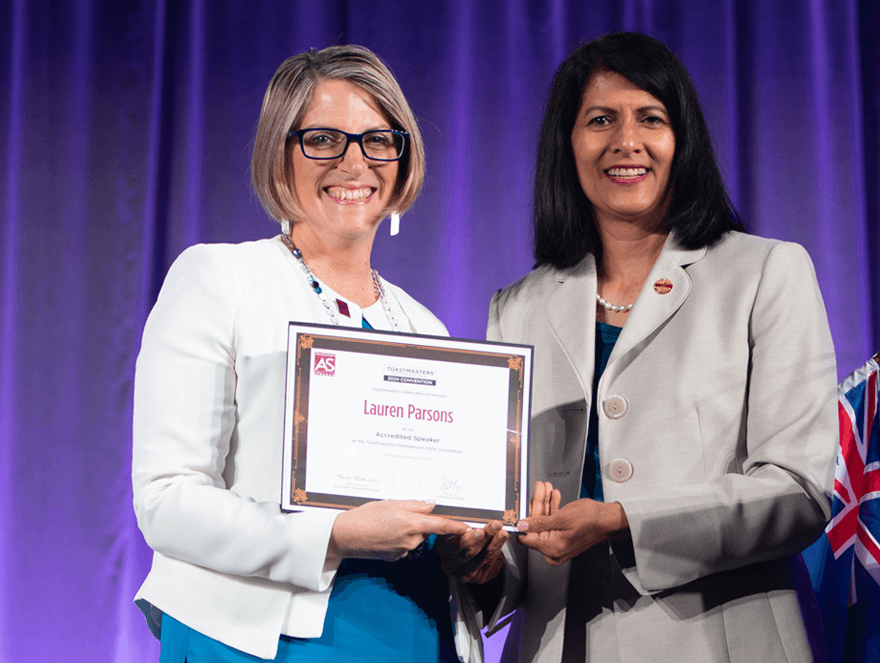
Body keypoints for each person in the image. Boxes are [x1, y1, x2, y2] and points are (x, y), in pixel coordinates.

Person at [132, 44, 503, 663]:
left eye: (378, 140)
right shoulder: (220, 278)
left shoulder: (426, 327)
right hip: (258, 640)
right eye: (325, 139)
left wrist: (465, 550)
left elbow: (439, 509)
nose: (355, 162)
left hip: (414, 632)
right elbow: (167, 500)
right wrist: (333, 534)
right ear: (281, 153)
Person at [485, 32, 839, 662]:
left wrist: (623, 519)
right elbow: (510, 521)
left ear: (683, 141)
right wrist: (483, 561)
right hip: (556, 643)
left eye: (651, 118)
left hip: (722, 641)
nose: (627, 142)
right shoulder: (516, 307)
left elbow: (799, 491)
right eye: (600, 120)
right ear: (566, 145)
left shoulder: (766, 272)